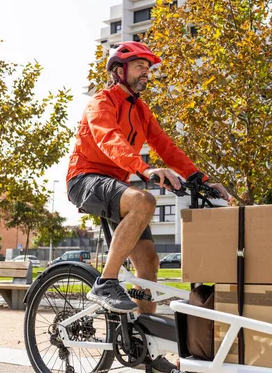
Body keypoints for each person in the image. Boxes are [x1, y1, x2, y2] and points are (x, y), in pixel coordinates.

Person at [66, 41, 229, 372]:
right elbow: (107, 138)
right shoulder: (102, 101)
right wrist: (144, 169)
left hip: (115, 184)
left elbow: (166, 147)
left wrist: (200, 178)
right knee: (144, 200)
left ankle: (146, 349)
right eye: (140, 67)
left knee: (149, 263)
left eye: (148, 69)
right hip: (85, 178)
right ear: (119, 71)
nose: (146, 74)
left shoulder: (141, 112)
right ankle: (105, 283)